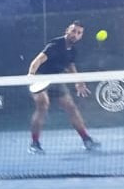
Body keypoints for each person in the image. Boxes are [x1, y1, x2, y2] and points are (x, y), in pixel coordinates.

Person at [27, 21, 100, 153]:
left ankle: (86, 139)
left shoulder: (73, 51)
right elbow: (38, 60)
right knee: (43, 105)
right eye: (73, 31)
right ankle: (34, 143)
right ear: (67, 31)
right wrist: (31, 75)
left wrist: (78, 82)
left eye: (79, 33)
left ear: (81, 36)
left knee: (71, 107)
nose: (75, 34)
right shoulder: (55, 45)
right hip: (40, 77)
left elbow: (70, 65)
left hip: (56, 79)